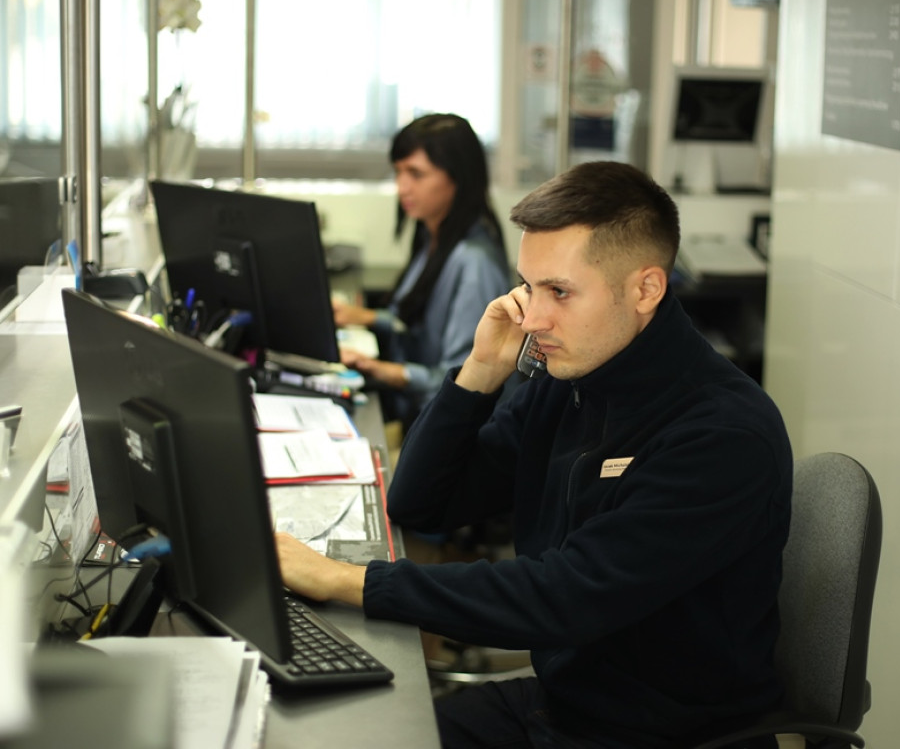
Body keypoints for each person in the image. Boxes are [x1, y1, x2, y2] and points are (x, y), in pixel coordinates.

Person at [277, 161, 793, 748]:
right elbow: (421, 502)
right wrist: (479, 372)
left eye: (560, 292)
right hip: (565, 704)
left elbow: (561, 598)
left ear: (646, 289)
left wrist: (345, 580)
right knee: (346, 736)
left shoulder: (722, 436)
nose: (533, 317)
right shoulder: (570, 376)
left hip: (665, 735)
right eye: (527, 286)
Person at [333, 113, 510, 429]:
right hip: (417, 418)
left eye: (416, 173)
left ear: (458, 177)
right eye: (398, 172)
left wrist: (379, 369)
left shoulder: (475, 263)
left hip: (441, 431)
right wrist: (366, 317)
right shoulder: (433, 234)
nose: (402, 187)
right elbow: (423, 326)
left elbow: (464, 379)